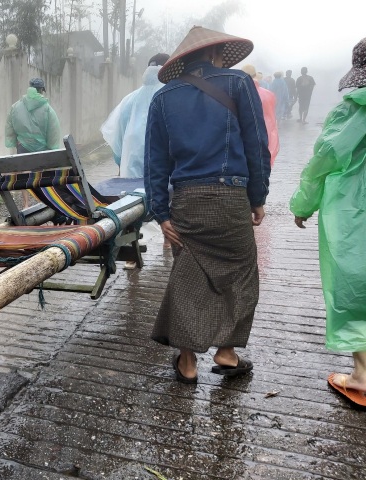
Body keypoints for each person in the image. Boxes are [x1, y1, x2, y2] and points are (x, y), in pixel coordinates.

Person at [145, 26, 271, 383]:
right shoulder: (239, 84)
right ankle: (227, 352)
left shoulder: (163, 97)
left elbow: (155, 162)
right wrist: (258, 197)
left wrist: (161, 212)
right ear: (217, 54)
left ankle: (187, 363)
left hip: (186, 200)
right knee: (242, 273)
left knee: (188, 275)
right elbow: (256, 146)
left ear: (184, 62)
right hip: (230, 195)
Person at [290, 37, 366, 407]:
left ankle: (363, 375)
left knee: (353, 286)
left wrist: (304, 204)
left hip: (353, 211)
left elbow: (325, 159)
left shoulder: (350, 111)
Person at [101, 53, 169, 178]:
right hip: (165, 180)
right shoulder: (172, 95)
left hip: (131, 178)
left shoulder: (129, 100)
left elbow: (118, 145)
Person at [5, 77, 62, 209]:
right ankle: (45, 200)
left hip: (23, 147)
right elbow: (53, 132)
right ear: (42, 90)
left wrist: (16, 142)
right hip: (42, 150)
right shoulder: (47, 109)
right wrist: (51, 147)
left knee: (23, 173)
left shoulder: (16, 106)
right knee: (46, 172)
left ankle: (26, 203)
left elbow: (10, 127)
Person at [241, 64, 279, 167]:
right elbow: (272, 119)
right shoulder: (269, 94)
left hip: (246, 140)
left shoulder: (239, 93)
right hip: (266, 136)